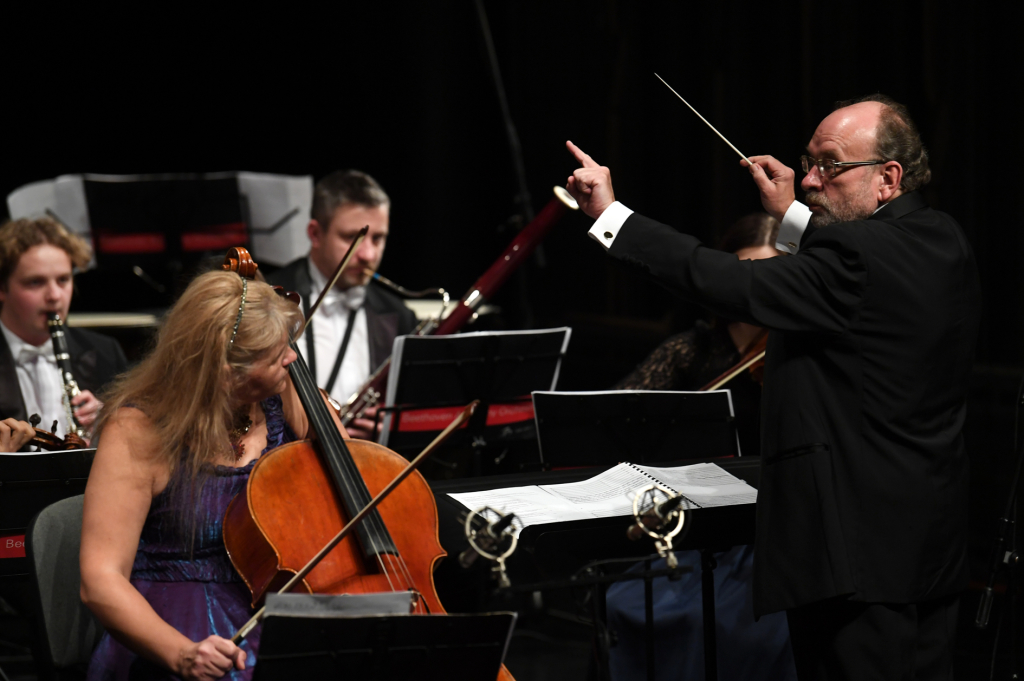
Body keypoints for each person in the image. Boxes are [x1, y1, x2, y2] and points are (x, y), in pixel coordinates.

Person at [566, 94, 980, 680]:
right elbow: (854, 267)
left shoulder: (856, 255)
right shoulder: (943, 240)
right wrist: (791, 212)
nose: (810, 179)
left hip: (851, 561)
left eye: (830, 165)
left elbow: (730, 281)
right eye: (807, 161)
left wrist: (611, 217)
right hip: (926, 551)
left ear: (888, 177)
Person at [80, 270, 319, 680]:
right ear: (225, 371)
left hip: (274, 612)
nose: (293, 358)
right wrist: (181, 654)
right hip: (174, 629)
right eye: (276, 353)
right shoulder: (138, 432)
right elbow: (100, 579)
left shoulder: (283, 407)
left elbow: (354, 473)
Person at [607, 213, 796, 681]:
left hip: (770, 530)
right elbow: (618, 417)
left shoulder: (796, 352)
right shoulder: (691, 349)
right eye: (743, 272)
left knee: (739, 628)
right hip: (696, 525)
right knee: (630, 604)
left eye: (768, 273)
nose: (753, 288)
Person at [266, 170, 417, 440]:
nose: (368, 254)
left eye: (378, 238)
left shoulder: (399, 315)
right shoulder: (267, 297)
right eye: (352, 238)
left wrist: (391, 425)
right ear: (315, 233)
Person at [0, 217, 127, 444]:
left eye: (63, 280)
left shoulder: (105, 352)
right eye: (35, 282)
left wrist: (111, 422)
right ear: (2, 288)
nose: (55, 296)